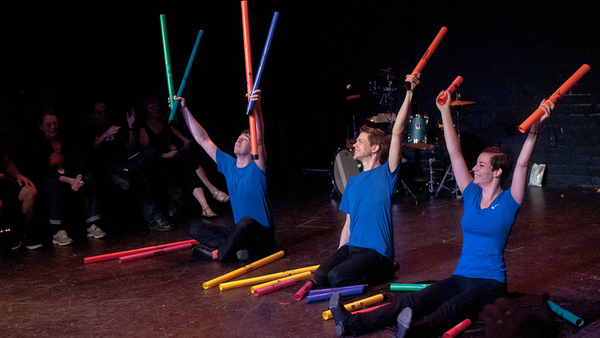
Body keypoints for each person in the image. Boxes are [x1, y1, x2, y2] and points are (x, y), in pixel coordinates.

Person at [328, 95, 554, 337]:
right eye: (476, 164)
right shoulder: (472, 195)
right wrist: (445, 110)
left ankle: (414, 333)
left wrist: (534, 132)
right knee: (415, 300)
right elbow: (454, 153)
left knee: (452, 308)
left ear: (497, 172)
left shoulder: (509, 202)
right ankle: (353, 324)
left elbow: (521, 165)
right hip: (461, 276)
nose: (474, 168)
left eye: (481, 165)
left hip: (490, 284)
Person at [314, 74, 420, 288]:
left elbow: (398, 132)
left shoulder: (387, 173)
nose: (354, 145)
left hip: (376, 252)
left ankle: (387, 269)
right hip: (353, 247)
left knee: (337, 278)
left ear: (375, 148)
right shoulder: (352, 183)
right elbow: (348, 225)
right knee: (322, 276)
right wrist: (340, 254)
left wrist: (409, 94)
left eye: (360, 141)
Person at [176, 90, 275, 262]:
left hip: (262, 237)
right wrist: (183, 109)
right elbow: (203, 139)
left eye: (245, 139)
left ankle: (219, 254)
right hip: (240, 232)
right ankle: (238, 249)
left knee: (246, 222)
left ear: (252, 149)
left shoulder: (257, 167)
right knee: (195, 227)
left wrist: (256, 108)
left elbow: (259, 140)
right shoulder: (228, 165)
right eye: (239, 137)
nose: (239, 140)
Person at [82, 101, 174, 232]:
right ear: (91, 115)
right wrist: (105, 135)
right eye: (99, 113)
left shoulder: (112, 126)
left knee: (149, 153)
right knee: (138, 174)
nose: (103, 115)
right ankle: (154, 216)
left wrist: (131, 127)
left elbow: (130, 148)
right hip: (104, 168)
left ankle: (126, 173)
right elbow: (88, 153)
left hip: (123, 164)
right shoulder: (87, 130)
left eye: (104, 112)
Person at [27, 109, 108, 245]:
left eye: (55, 124)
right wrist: (70, 181)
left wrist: (78, 177)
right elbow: (44, 171)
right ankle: (57, 231)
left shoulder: (66, 140)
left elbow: (79, 159)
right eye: (48, 125)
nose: (53, 127)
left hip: (71, 177)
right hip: (50, 179)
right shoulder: (37, 145)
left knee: (88, 179)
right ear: (41, 127)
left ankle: (93, 224)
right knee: (53, 185)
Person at [138, 98, 227, 220]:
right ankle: (213, 192)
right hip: (159, 165)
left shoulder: (166, 124)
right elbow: (147, 155)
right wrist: (165, 155)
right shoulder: (144, 129)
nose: (155, 109)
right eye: (151, 107)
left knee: (190, 164)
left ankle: (206, 207)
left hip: (176, 161)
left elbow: (186, 141)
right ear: (145, 110)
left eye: (156, 105)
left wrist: (179, 150)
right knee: (189, 166)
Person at [0, 154, 42, 250]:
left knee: (30, 192)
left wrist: (17, 174)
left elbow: (5, 160)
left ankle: (26, 235)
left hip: (4, 185)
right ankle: (5, 239)